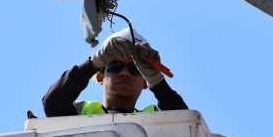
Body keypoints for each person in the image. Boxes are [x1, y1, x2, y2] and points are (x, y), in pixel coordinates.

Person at [43, 28, 188, 116]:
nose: (125, 73)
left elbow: (188, 126)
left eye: (134, 69)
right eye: (115, 66)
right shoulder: (80, 112)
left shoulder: (157, 118)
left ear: (145, 82)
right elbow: (52, 104)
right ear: (100, 76)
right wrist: (93, 62)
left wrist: (157, 81)